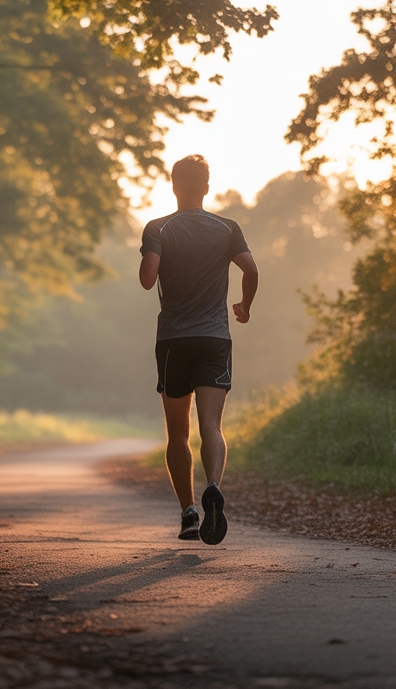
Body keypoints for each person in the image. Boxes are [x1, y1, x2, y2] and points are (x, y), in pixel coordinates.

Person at [139, 154, 258, 545]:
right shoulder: (228, 228)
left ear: (173, 186)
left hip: (174, 340)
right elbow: (251, 270)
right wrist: (244, 306)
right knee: (212, 427)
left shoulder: (158, 228)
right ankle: (213, 487)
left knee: (178, 433)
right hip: (214, 338)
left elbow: (147, 279)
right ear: (207, 187)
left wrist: (152, 254)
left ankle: (189, 513)